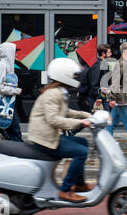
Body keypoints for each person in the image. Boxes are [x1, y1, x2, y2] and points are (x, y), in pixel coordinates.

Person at [29, 58, 92, 203]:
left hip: (51, 136)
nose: (75, 77)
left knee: (82, 142)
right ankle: (65, 190)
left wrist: (87, 115)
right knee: (81, 152)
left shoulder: (58, 91)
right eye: (73, 75)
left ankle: (80, 184)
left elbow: (66, 111)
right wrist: (80, 122)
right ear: (64, 75)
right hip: (45, 140)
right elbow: (54, 119)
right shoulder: (53, 94)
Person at [85, 43, 112, 112]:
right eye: (109, 52)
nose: (111, 54)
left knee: (104, 119)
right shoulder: (98, 64)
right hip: (98, 98)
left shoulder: (103, 63)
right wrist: (98, 97)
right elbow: (94, 82)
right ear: (103, 54)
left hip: (102, 97)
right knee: (101, 119)